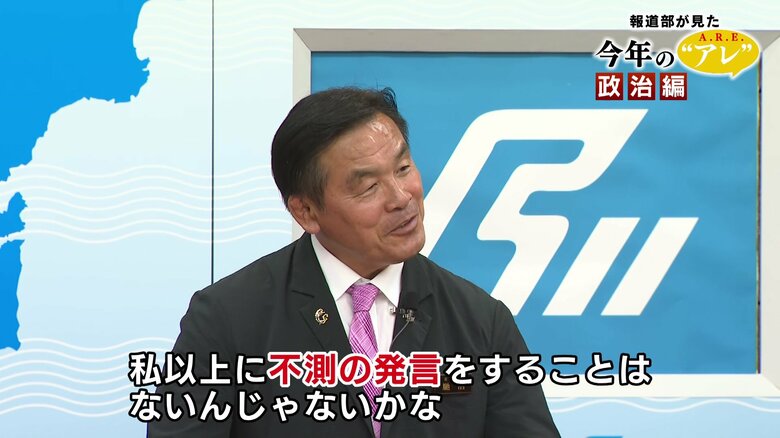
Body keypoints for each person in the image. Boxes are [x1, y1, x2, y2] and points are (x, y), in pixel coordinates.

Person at [148, 87, 559, 437]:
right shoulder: (227, 319)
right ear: (306, 211)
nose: (401, 197)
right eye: (368, 187)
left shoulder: (481, 322)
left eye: (403, 168)